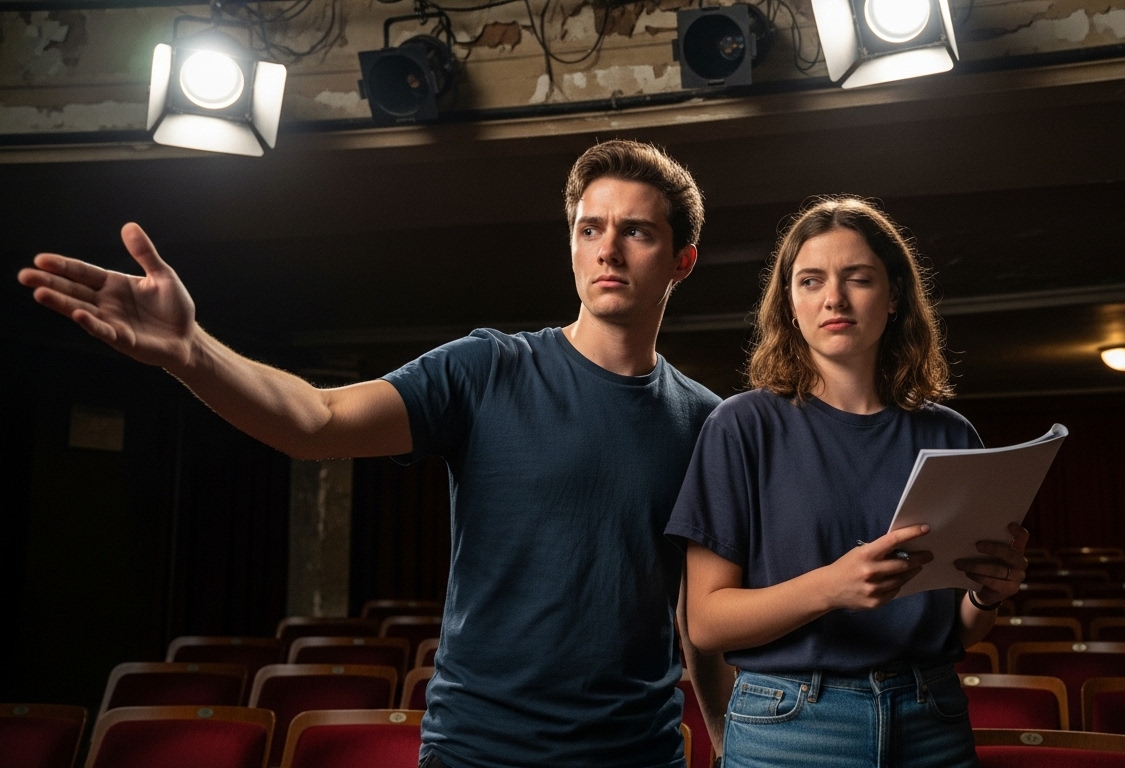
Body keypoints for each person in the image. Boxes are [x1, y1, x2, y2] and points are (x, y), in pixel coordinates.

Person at [17, 140, 735, 768]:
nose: (607, 248)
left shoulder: (708, 423)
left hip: (634, 754)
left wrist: (733, 746)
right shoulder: (486, 370)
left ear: (683, 260)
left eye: (635, 231)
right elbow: (316, 421)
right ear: (572, 244)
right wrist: (190, 352)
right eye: (590, 228)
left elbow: (700, 624)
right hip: (480, 750)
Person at [665, 197, 1030, 767]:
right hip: (792, 725)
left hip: (931, 715)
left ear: (895, 297)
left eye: (857, 278)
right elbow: (707, 622)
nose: (833, 298)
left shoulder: (951, 434)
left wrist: (988, 593)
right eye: (811, 281)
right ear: (789, 303)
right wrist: (832, 588)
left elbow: (962, 631)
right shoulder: (741, 425)